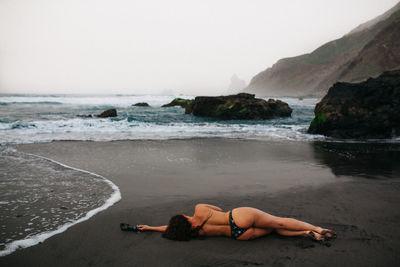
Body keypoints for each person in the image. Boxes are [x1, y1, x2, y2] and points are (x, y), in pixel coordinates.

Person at [120, 204, 336, 241]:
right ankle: (317, 228)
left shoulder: (194, 233)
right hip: (237, 217)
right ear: (184, 217)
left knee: (271, 231)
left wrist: (148, 228)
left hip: (238, 236)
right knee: (277, 222)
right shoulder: (199, 209)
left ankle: (305, 234)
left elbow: (168, 229)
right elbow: (220, 210)